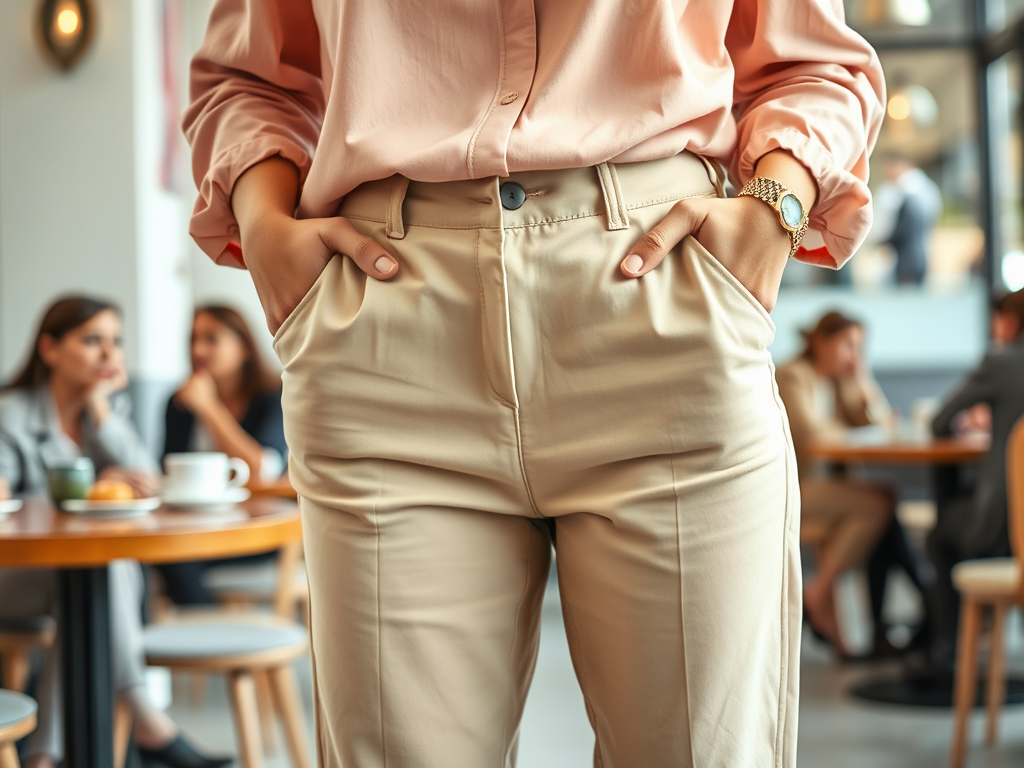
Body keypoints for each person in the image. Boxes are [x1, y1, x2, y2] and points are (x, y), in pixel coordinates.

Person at [185, 2, 884, 764]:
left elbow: (813, 65)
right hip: (386, 316)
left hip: (661, 298)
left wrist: (771, 212)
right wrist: (265, 228)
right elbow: (248, 79)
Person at [0, 296, 230, 768]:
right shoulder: (11, 412)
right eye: (92, 341)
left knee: (98, 571)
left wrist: (102, 411)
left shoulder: (108, 413)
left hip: (69, 575)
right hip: (15, 576)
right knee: (100, 570)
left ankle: (45, 757)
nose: (109, 355)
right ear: (49, 349)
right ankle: (147, 721)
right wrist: (90, 488)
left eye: (115, 342)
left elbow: (148, 482)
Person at [156, 305, 286, 605]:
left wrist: (209, 408)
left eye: (211, 339)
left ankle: (206, 643)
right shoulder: (178, 404)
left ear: (243, 348)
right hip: (192, 528)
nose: (198, 349)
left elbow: (260, 470)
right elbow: (167, 470)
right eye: (193, 339)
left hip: (257, 531)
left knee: (177, 563)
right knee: (148, 559)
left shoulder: (272, 396)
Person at [926, 288, 1024, 665]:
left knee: (941, 535)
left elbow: (940, 421)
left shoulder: (1000, 363)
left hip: (1003, 528)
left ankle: (948, 653)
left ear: (1010, 321)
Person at [872, 153, 942, 286]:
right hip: (914, 256)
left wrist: (881, 241)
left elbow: (903, 230)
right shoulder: (919, 191)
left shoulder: (910, 197)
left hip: (908, 259)